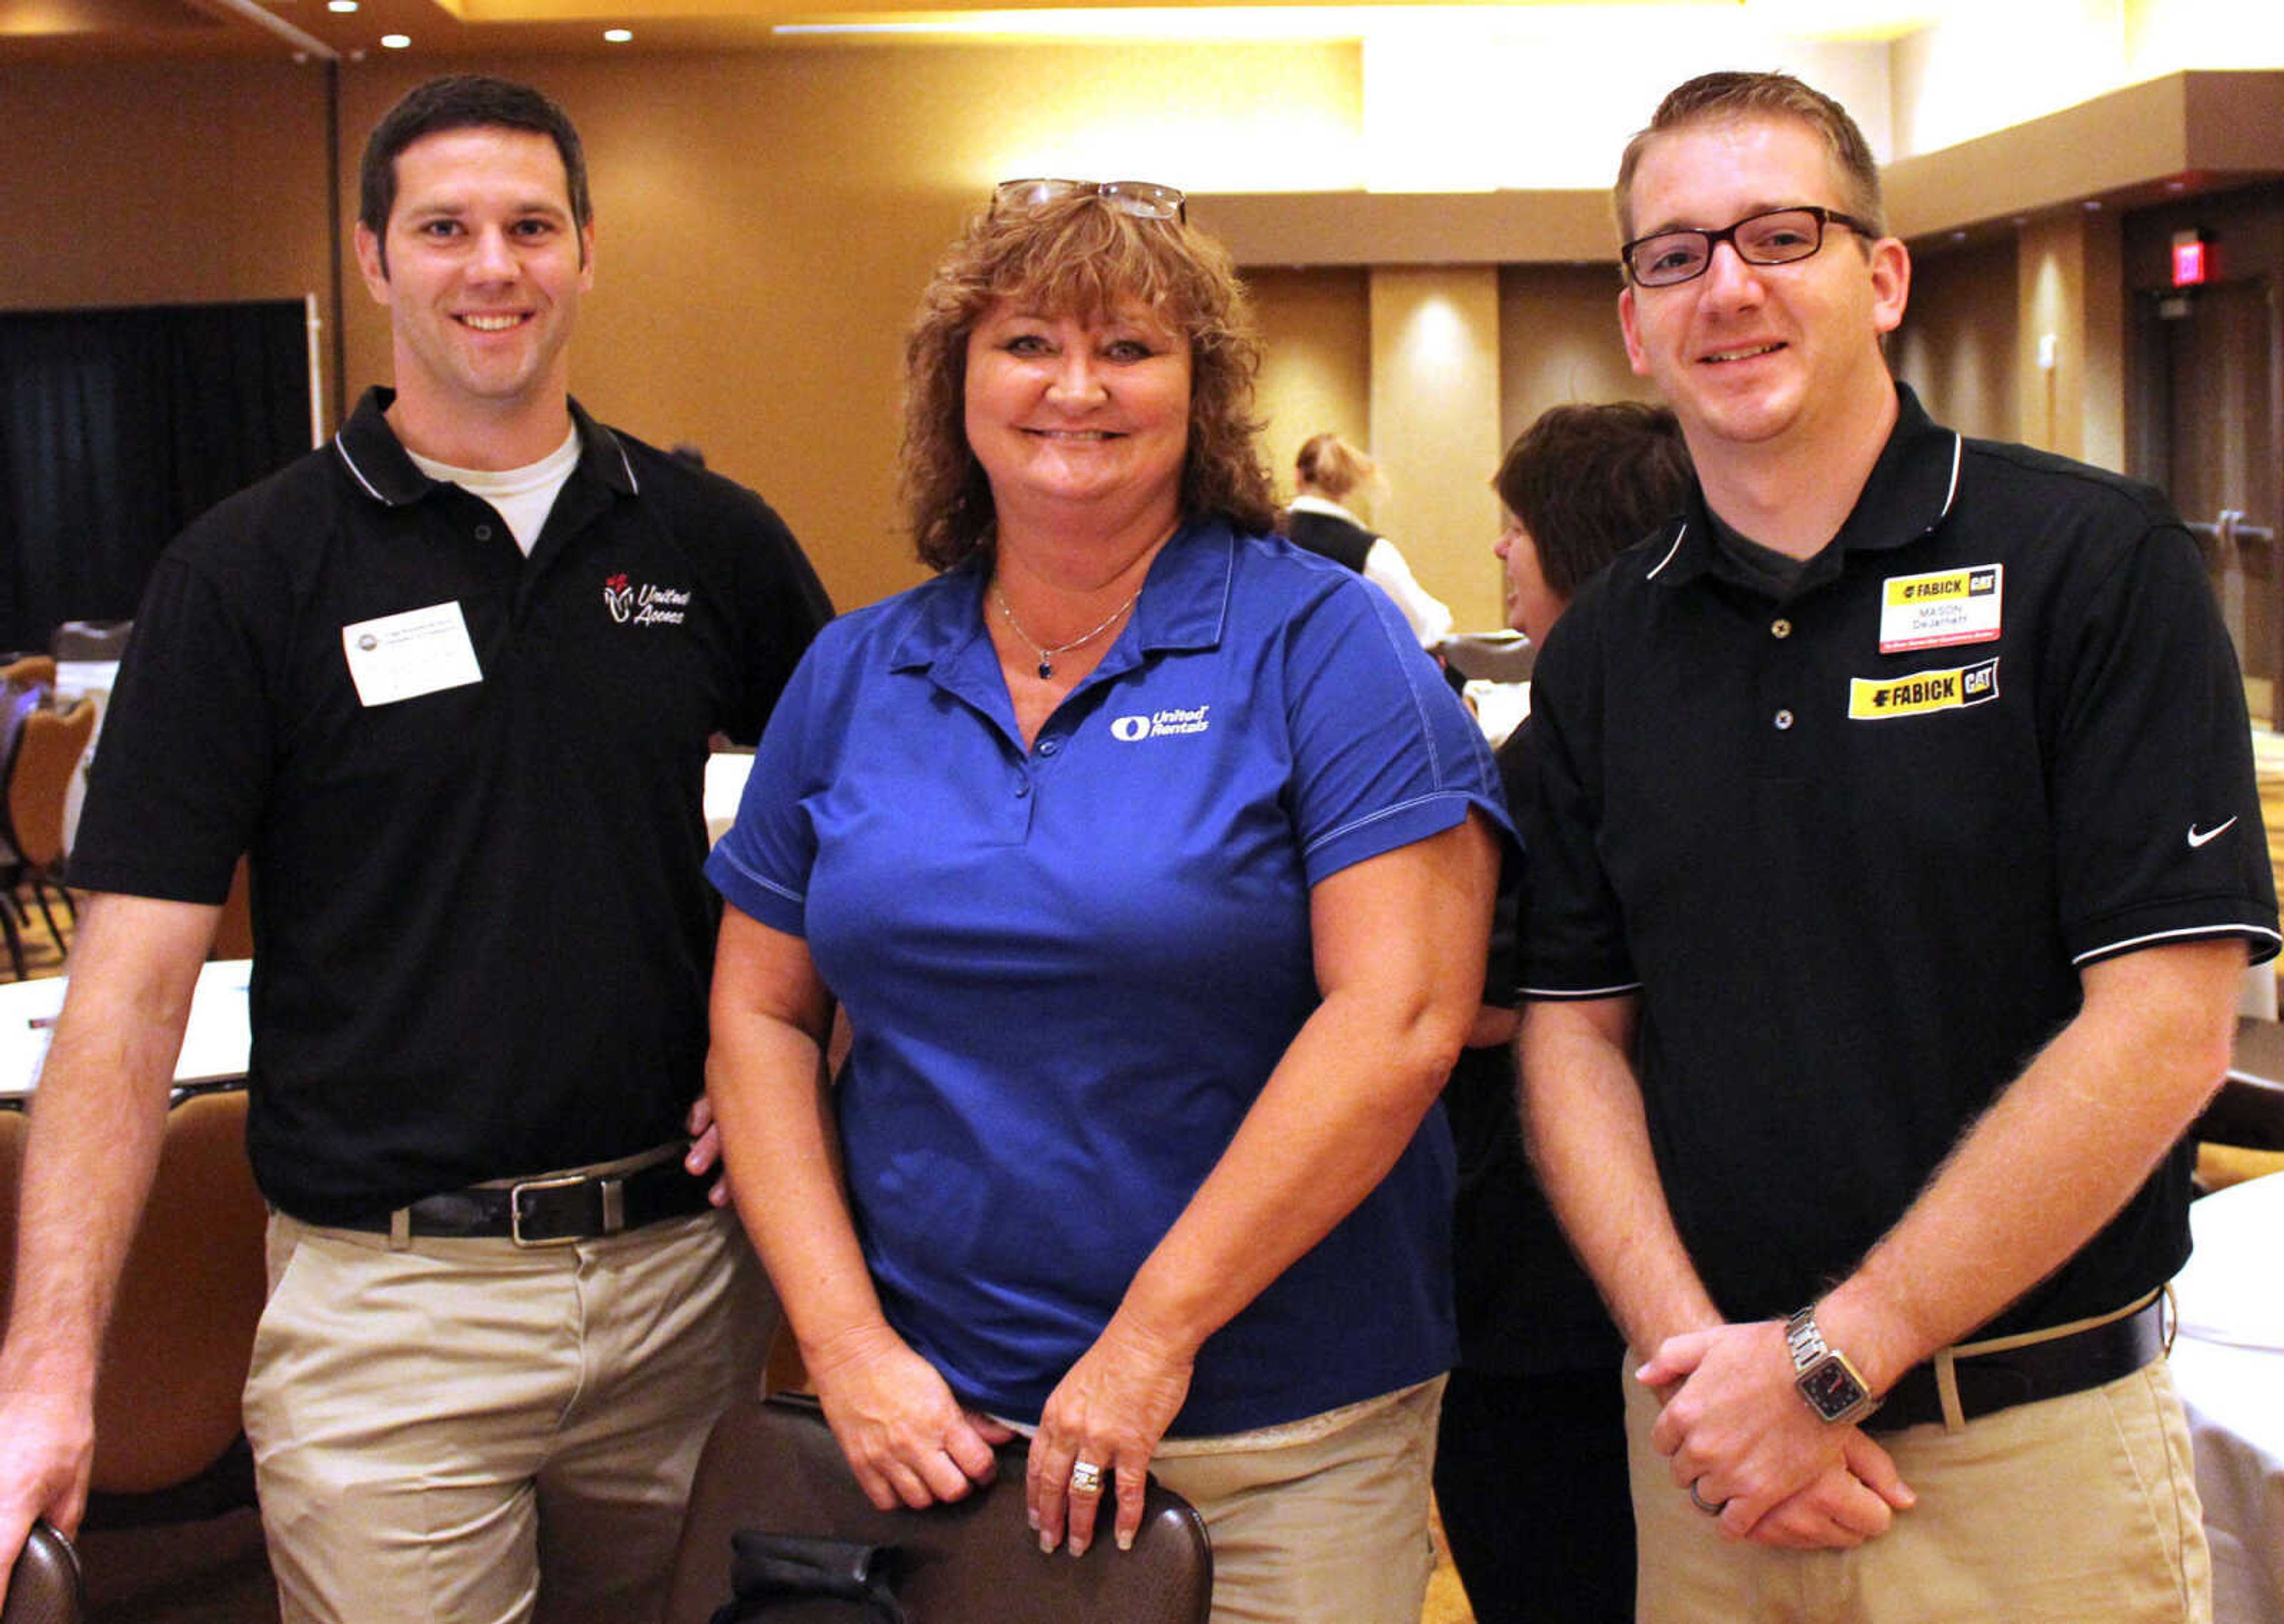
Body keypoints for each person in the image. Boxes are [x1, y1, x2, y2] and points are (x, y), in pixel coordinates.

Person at [0, 74, 830, 1623]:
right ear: (376, 258)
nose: (491, 266)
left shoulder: (709, 542)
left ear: (585, 252)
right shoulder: (244, 573)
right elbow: (122, 992)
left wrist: (807, 1036)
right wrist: (44, 1377)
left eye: (529, 226)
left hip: (682, 1294)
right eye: (444, 228)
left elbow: (878, 834)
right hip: (389, 1318)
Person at [1517, 69, 2279, 1623]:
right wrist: (1706, 1373)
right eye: (1677, 254)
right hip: (1710, 1455)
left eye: (1779, 236)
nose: (1727, 287)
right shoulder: (1604, 649)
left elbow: (2165, 1028)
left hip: (2024, 1456)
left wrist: (1834, 1354)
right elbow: (1574, 1035)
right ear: (1635, 319)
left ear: (1881, 275)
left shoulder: (2093, 564)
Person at [702, 177, 1504, 1624]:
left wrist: (1149, 1340)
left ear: (1202, 397)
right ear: (957, 384)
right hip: (939, 1442)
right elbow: (757, 1017)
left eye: (1129, 349)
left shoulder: (1324, 645)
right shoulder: (855, 671)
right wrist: (844, 1348)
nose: (1075, 387)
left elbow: (1398, 1018)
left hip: (1276, 1438)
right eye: (1025, 344)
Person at [1436, 401, 1689, 1624]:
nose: (1499, 556)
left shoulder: (1549, 759)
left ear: (1572, 548)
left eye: (1515, 530)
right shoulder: (1721, 731)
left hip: (1539, 1293)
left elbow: (1466, 1006)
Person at [1284, 432, 1455, 649]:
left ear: (1297, 477)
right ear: (1348, 485)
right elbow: (1422, 626)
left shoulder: (1261, 538)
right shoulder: (1370, 552)